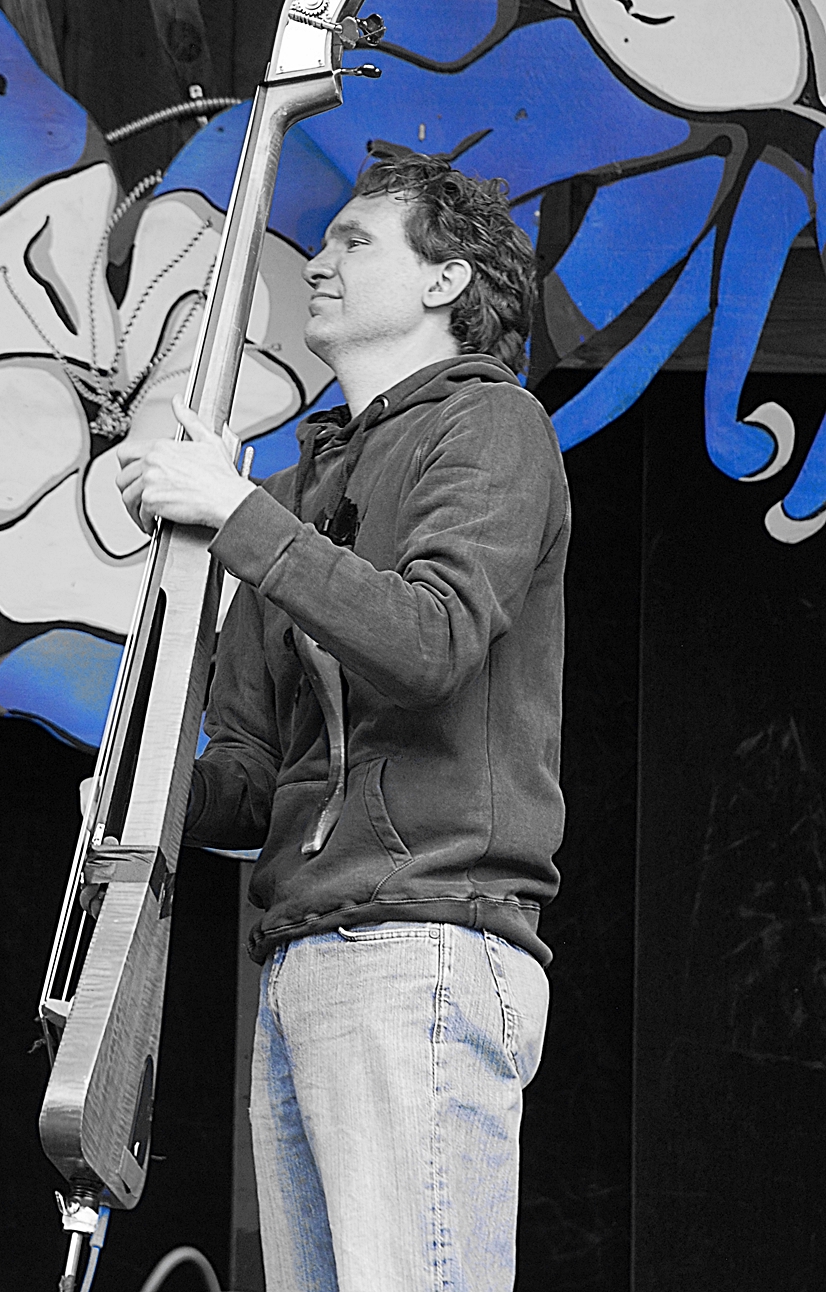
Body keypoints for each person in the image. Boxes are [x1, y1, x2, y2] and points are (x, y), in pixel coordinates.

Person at [115, 153, 570, 1292]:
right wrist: (138, 789)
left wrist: (235, 515)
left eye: (355, 240)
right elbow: (251, 773)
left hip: (425, 938)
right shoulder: (295, 494)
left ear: (444, 279)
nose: (317, 260)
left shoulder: (493, 423)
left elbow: (430, 643)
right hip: (303, 954)